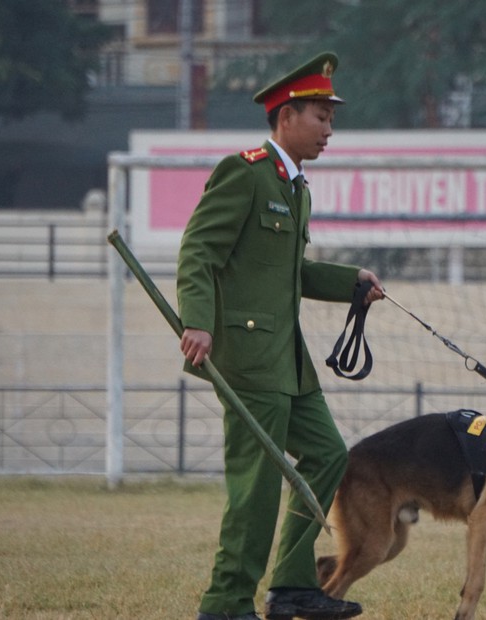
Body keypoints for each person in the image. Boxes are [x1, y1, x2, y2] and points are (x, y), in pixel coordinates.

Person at [177, 52, 383, 620]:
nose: (329, 129)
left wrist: (352, 283)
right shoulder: (242, 172)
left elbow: (290, 274)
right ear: (286, 116)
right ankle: (225, 602)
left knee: (326, 455)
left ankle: (292, 585)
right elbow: (198, 251)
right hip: (245, 357)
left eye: (331, 118)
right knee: (257, 485)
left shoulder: (296, 188)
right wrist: (197, 319)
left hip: (287, 362)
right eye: (321, 116)